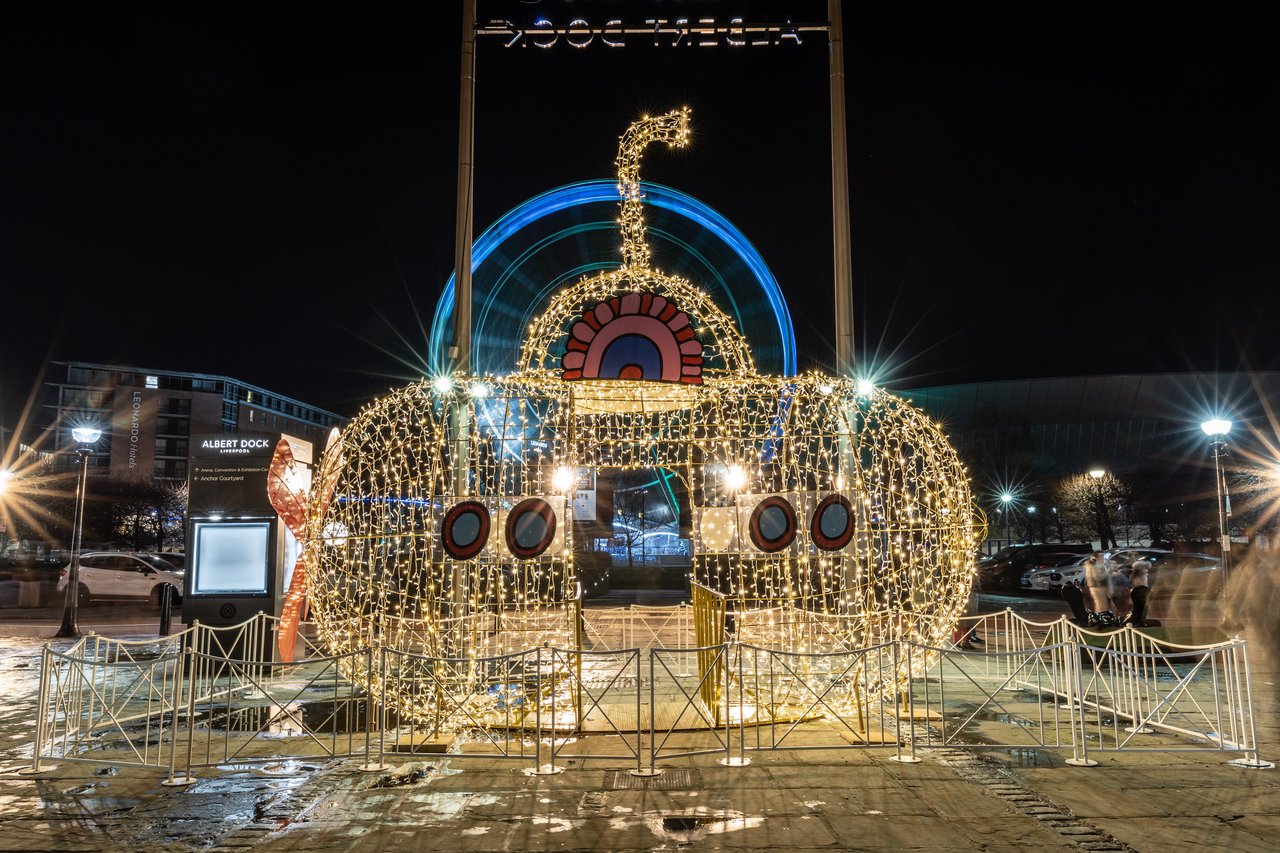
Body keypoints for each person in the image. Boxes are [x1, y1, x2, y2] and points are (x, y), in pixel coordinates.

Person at [1083, 551, 1114, 625]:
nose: (1103, 558)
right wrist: (1108, 572)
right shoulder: (1096, 565)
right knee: (1101, 605)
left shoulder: (1096, 564)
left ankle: (1101, 619)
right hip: (1098, 587)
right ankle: (1101, 620)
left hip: (1098, 587)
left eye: (1103, 556)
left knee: (1101, 604)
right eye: (1101, 556)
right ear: (1096, 557)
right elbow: (1098, 577)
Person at [1127, 558, 1152, 627]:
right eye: (1144, 568)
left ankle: (1141, 621)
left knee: (1141, 609)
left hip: (1140, 593)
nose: (1146, 570)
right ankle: (1139, 621)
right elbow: (1139, 586)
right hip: (1139, 594)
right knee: (1140, 609)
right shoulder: (1138, 577)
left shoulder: (1139, 576)